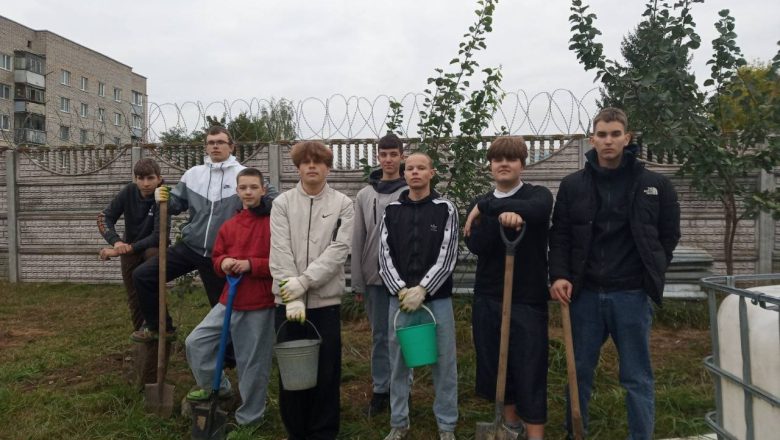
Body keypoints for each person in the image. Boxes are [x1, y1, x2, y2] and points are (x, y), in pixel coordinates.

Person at [548, 107, 681, 440]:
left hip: (632, 296)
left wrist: (654, 267)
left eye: (615, 134)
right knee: (579, 373)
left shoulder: (655, 185)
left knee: (637, 376)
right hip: (585, 295)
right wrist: (559, 275)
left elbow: (669, 233)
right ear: (592, 139)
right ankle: (575, 433)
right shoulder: (572, 185)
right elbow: (560, 234)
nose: (608, 141)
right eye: (602, 134)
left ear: (627, 138)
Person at [131, 125, 275, 342]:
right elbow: (176, 204)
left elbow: (274, 199)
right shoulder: (193, 175)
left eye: (220, 142)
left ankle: (230, 356)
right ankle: (160, 327)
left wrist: (257, 210)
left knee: (224, 308)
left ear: (231, 146)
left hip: (222, 254)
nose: (215, 146)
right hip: (191, 247)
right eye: (211, 142)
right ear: (206, 147)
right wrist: (163, 197)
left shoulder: (242, 176)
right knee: (143, 276)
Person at [463, 136, 553, 440]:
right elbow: (476, 245)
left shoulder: (537, 195)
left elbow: (539, 211)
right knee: (497, 363)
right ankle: (511, 425)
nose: (504, 164)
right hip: (489, 296)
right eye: (498, 159)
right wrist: (497, 218)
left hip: (527, 298)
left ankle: (536, 434)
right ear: (490, 165)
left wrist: (490, 207)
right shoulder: (481, 202)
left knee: (530, 365)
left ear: (522, 165)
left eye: (511, 159)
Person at [270, 141, 354, 440]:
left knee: (326, 373)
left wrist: (303, 283)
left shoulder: (342, 203)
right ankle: (296, 431)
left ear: (328, 167)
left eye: (318, 162)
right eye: (306, 162)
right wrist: (290, 295)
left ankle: (323, 432)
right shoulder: (282, 203)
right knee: (292, 373)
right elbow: (279, 250)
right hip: (288, 304)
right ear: (297, 167)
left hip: (324, 303)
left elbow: (339, 250)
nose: (312, 167)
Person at [184, 168, 274, 430]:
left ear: (263, 190)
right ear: (237, 192)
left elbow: (280, 262)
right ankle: (220, 387)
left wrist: (250, 265)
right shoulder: (230, 225)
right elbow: (216, 256)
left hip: (259, 302)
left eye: (253, 187)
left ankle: (251, 418)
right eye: (243, 187)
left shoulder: (272, 223)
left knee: (252, 363)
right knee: (196, 342)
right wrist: (223, 263)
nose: (248, 192)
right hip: (230, 299)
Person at [379, 152, 459, 440]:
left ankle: (446, 424)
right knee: (398, 362)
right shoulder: (392, 210)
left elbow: (447, 255)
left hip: (437, 300)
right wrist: (401, 289)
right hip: (399, 301)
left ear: (431, 173)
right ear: (404, 174)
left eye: (421, 168)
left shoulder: (445, 208)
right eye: (410, 168)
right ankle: (399, 422)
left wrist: (423, 288)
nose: (415, 172)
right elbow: (384, 254)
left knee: (444, 362)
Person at [351, 132, 408, 416]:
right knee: (379, 335)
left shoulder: (410, 190)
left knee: (401, 334)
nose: (388, 159)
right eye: (383, 154)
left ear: (401, 156)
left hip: (404, 279)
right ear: (378, 157)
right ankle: (380, 389)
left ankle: (403, 388)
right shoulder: (364, 195)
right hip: (373, 277)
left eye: (393, 154)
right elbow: (357, 238)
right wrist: (358, 280)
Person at [97, 157, 164, 331]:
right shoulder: (129, 192)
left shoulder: (163, 196)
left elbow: (158, 236)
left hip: (152, 250)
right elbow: (104, 217)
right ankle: (140, 340)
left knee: (152, 294)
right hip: (130, 251)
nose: (146, 183)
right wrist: (116, 242)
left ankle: (159, 332)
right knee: (134, 298)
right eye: (140, 178)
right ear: (135, 179)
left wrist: (125, 248)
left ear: (159, 178)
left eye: (150, 178)